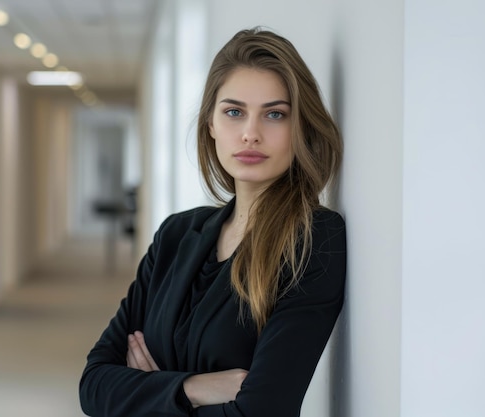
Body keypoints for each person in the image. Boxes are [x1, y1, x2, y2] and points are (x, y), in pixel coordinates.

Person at [79, 27, 346, 417]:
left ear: (300, 127)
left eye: (274, 114)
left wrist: (147, 393)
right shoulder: (176, 234)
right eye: (234, 112)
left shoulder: (313, 240)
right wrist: (193, 388)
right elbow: (94, 384)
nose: (251, 134)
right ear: (211, 126)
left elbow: (260, 410)